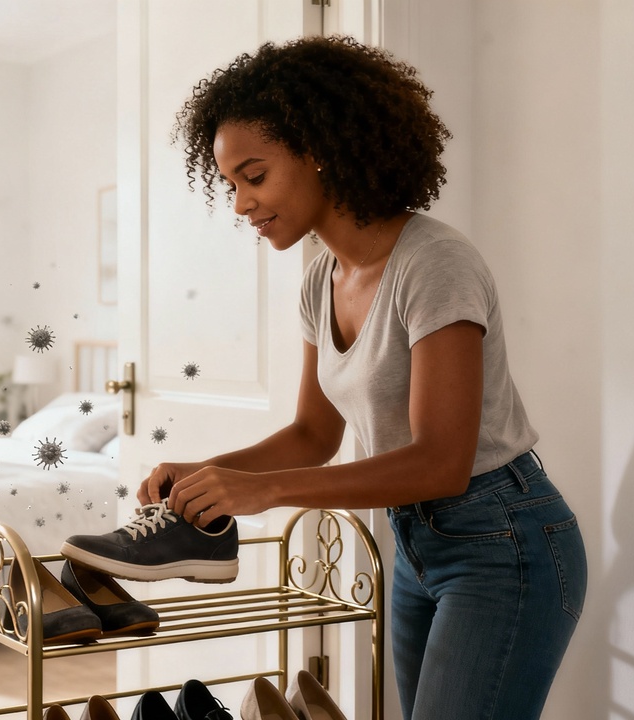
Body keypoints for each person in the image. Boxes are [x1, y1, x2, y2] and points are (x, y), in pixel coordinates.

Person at [142, 36, 586, 719]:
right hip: (413, 542)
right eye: (231, 184)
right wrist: (208, 471)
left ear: (320, 150)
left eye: (254, 177)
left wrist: (261, 492)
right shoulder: (320, 276)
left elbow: (442, 462)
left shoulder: (434, 264)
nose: (240, 205)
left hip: (502, 538)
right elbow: (313, 433)